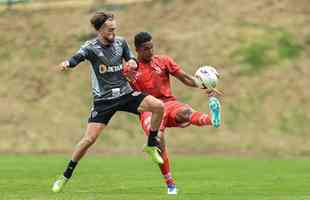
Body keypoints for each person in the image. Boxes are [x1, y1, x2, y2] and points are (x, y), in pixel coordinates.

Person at [52, 12, 165, 193]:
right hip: (103, 101)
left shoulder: (120, 43)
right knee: (88, 140)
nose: (113, 32)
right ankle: (65, 175)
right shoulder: (90, 47)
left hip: (125, 94)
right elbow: (77, 57)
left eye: (114, 29)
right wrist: (67, 63)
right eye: (110, 29)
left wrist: (133, 63)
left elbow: (130, 58)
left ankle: (151, 145)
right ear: (99, 29)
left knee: (159, 107)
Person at [123, 32, 222, 195]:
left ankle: (213, 119)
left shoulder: (163, 61)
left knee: (186, 112)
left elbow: (185, 78)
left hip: (168, 103)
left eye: (152, 47)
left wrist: (206, 86)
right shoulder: (131, 69)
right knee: (158, 140)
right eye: (146, 49)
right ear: (137, 50)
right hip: (148, 109)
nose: (150, 51)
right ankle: (170, 183)